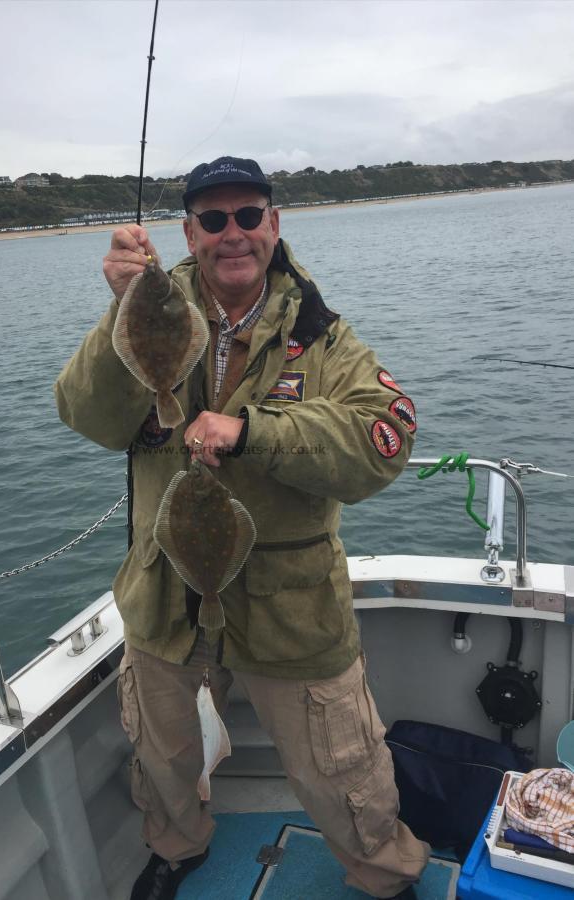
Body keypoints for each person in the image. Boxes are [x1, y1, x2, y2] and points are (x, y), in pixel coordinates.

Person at [54, 156, 429, 900]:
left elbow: (381, 440)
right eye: (214, 220)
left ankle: (384, 871)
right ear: (188, 235)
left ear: (274, 225)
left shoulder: (322, 337)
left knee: (339, 764)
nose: (234, 234)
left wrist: (252, 430)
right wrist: (119, 311)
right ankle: (175, 845)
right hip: (165, 595)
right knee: (162, 754)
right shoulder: (146, 314)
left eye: (248, 216)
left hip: (290, 605)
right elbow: (88, 417)